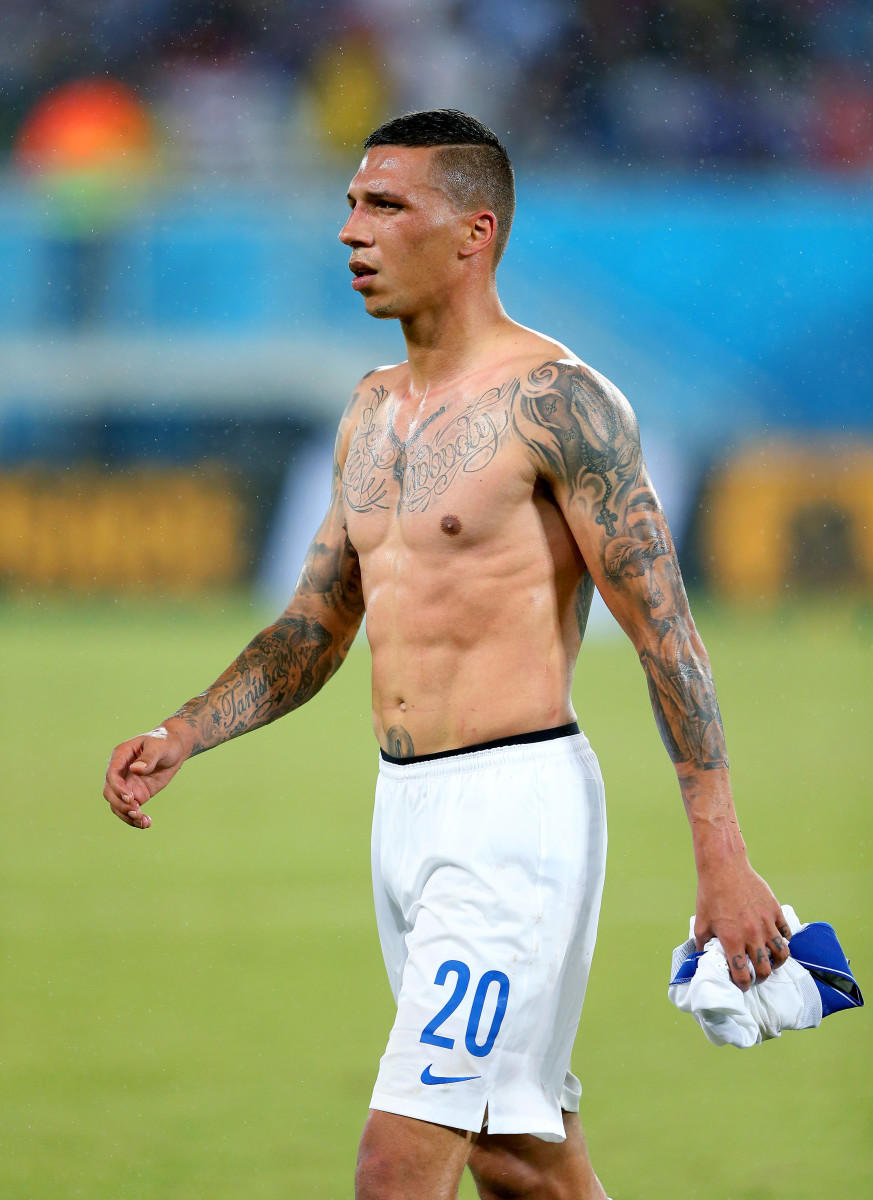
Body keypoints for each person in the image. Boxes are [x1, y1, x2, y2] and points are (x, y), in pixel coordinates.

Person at [103, 109, 792, 1200]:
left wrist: (723, 856)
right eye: (349, 204)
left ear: (474, 233)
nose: (350, 231)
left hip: (513, 822)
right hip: (404, 813)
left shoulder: (562, 405)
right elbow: (315, 624)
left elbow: (670, 638)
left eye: (385, 206)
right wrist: (185, 730)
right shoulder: (370, 410)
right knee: (520, 1159)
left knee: (399, 1162)